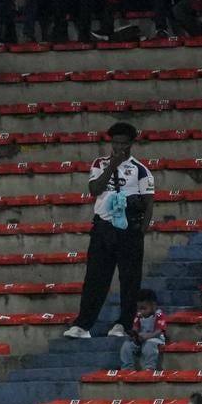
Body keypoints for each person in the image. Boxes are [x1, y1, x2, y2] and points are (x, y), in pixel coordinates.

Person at [63, 123, 155, 340]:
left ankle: (123, 323)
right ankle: (83, 325)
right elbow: (95, 190)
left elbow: (149, 204)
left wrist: (140, 232)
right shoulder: (100, 163)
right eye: (115, 143)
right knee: (95, 278)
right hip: (103, 228)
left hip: (128, 230)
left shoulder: (140, 170)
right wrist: (112, 166)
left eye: (122, 144)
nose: (118, 147)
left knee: (129, 280)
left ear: (130, 144)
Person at [119, 288, 166, 370]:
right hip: (141, 339)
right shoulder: (139, 315)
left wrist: (148, 336)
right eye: (139, 308)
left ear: (153, 306)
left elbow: (159, 331)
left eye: (144, 308)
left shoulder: (159, 315)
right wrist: (133, 335)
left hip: (156, 339)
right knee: (126, 345)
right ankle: (127, 368)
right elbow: (135, 328)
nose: (141, 311)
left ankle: (150, 368)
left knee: (149, 345)